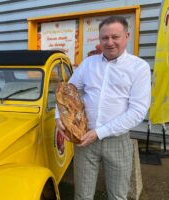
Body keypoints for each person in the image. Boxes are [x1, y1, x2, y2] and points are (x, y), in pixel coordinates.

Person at [55, 16, 151, 200]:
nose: (110, 42)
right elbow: (67, 93)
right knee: (82, 195)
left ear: (127, 36)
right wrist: (59, 117)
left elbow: (137, 111)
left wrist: (99, 133)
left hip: (117, 140)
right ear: (99, 39)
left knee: (117, 195)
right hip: (84, 138)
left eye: (115, 36)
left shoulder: (139, 68)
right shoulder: (88, 64)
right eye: (105, 38)